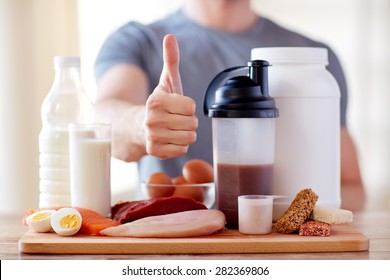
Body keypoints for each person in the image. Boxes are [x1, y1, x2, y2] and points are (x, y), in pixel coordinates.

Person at [94, 0, 365, 210]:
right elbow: (106, 120)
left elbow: (351, 188)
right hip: (170, 241)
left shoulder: (312, 60)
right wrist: (142, 124)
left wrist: (283, 215)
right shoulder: (139, 41)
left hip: (281, 247)